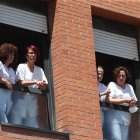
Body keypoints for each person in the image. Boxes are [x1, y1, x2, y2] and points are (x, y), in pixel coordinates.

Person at [8, 44, 48, 128]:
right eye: (31, 53)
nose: (33, 55)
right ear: (26, 55)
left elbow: (45, 87)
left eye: (35, 53)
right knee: (16, 127)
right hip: (20, 103)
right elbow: (20, 82)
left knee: (33, 130)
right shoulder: (21, 66)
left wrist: (42, 85)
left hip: (33, 105)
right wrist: (35, 82)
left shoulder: (39, 70)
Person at [105, 66, 137, 140]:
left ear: (126, 77)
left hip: (126, 119)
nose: (121, 78)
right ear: (116, 77)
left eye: (123, 76)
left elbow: (135, 101)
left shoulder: (129, 87)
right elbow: (109, 99)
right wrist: (125, 100)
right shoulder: (112, 84)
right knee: (116, 138)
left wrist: (132, 103)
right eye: (119, 76)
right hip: (114, 118)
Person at [0, 43, 18, 123]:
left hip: (10, 101)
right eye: (10, 54)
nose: (12, 56)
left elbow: (16, 84)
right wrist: (5, 81)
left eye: (13, 55)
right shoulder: (0, 65)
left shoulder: (11, 70)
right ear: (5, 54)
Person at [97, 66, 110, 138]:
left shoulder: (103, 87)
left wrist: (107, 95)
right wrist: (103, 93)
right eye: (98, 73)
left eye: (101, 74)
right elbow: (91, 97)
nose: (99, 76)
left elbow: (106, 104)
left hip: (101, 115)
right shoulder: (89, 84)